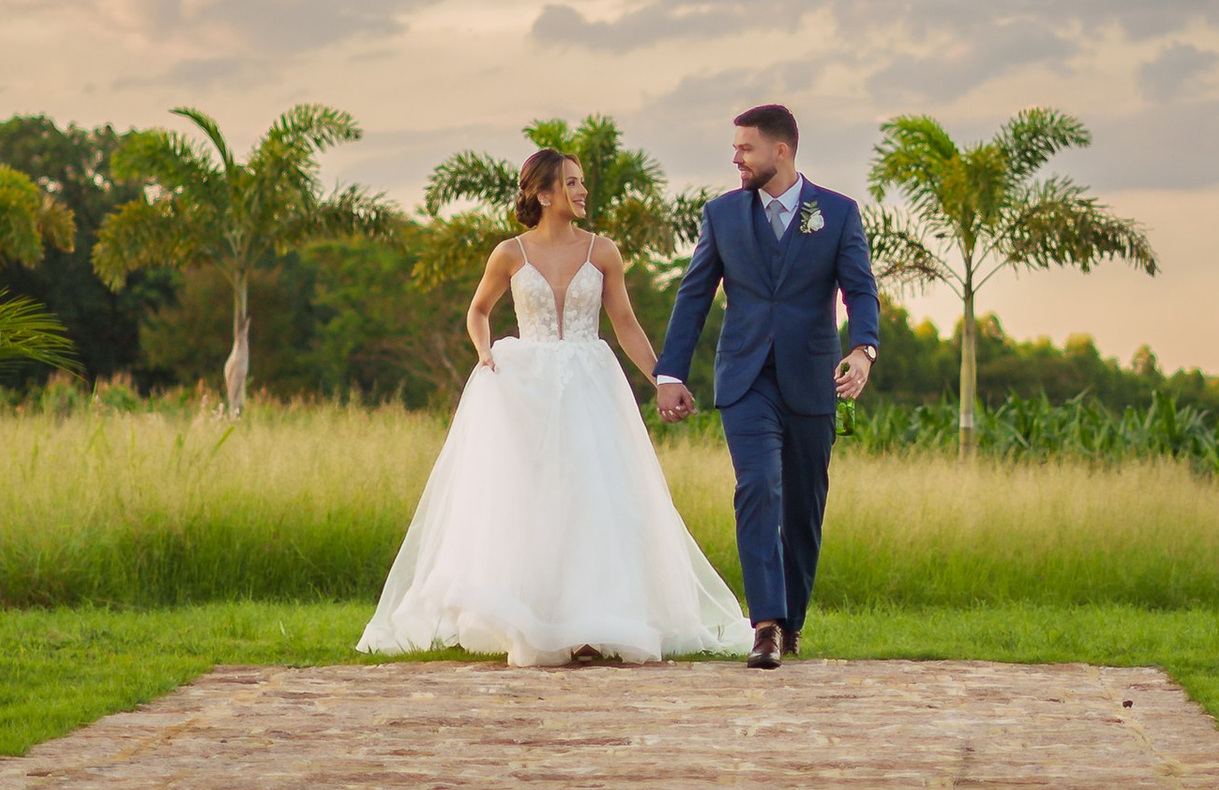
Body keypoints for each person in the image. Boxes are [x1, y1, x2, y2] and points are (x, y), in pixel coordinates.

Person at [360, 145, 748, 668]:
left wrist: (662, 379)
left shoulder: (602, 251)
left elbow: (626, 324)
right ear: (542, 193)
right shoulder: (509, 254)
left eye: (582, 181)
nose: (582, 190)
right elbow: (478, 311)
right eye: (571, 182)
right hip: (526, 384)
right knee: (534, 500)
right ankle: (533, 618)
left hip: (591, 383)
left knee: (594, 497)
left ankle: (592, 621)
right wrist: (484, 352)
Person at [654, 104, 878, 664]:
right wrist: (671, 373)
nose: (736, 157)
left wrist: (862, 350)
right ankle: (766, 626)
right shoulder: (722, 215)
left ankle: (792, 620)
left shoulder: (839, 213)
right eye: (735, 148)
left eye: (745, 147)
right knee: (758, 487)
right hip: (745, 378)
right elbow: (694, 294)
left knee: (804, 506)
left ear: (781, 151)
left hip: (811, 379)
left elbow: (861, 291)